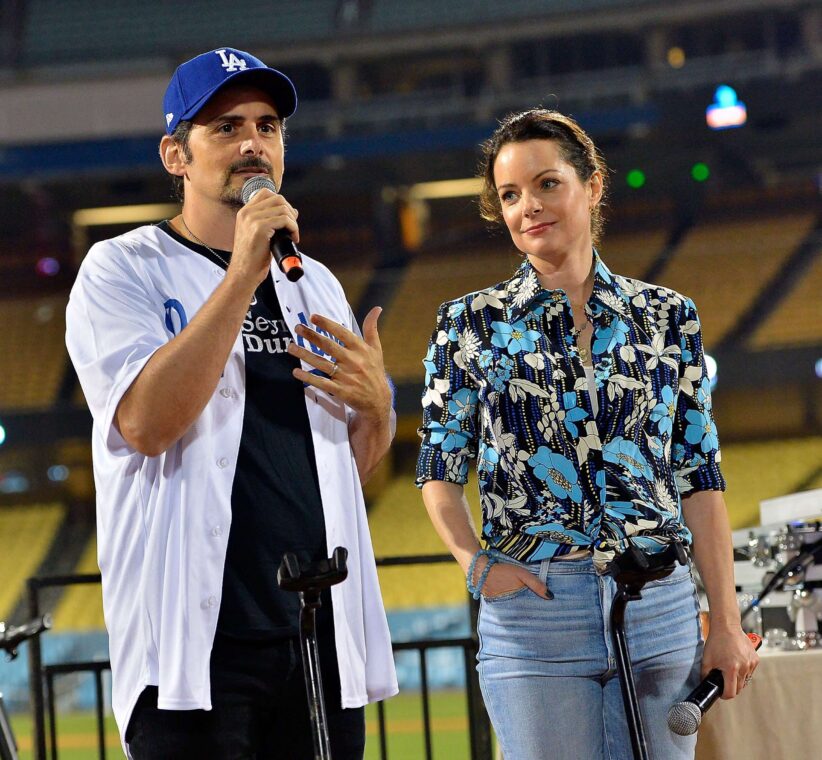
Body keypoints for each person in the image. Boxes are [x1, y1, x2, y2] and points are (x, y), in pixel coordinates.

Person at [65, 47, 398, 759]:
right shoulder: (123, 270)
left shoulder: (317, 284)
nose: (253, 142)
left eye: (268, 125)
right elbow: (144, 424)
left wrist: (378, 412)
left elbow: (346, 472)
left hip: (317, 635)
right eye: (224, 126)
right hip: (196, 648)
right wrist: (243, 272)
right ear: (174, 155)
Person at [416, 109, 757, 759]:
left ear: (593, 186)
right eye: (510, 195)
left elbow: (701, 477)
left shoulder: (667, 317)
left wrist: (728, 622)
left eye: (547, 184)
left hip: (659, 608)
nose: (527, 208)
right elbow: (438, 468)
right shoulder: (467, 324)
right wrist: (474, 562)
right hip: (533, 618)